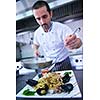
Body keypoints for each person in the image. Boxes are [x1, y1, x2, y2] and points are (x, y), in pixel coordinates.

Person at [32, 0, 82, 71]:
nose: (42, 22)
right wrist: (35, 50)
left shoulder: (62, 28)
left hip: (64, 63)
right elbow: (35, 44)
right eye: (38, 19)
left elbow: (78, 41)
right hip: (48, 65)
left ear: (50, 14)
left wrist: (76, 43)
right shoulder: (37, 33)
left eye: (44, 16)